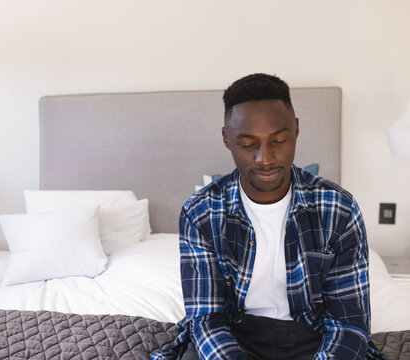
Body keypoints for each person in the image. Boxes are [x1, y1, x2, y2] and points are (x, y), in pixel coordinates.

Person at [152, 74, 384, 360]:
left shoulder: (339, 208)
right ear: (227, 138)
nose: (265, 158)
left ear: (296, 130)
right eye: (249, 144)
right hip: (233, 337)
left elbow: (349, 322)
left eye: (279, 140)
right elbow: (207, 319)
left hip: (316, 337)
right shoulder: (200, 212)